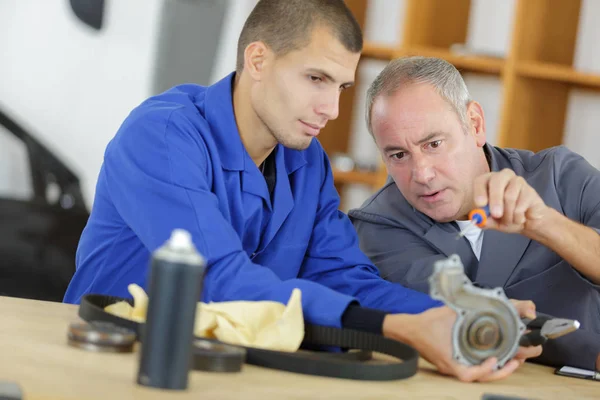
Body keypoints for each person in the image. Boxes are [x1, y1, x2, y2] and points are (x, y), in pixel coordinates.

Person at [63, 0, 540, 381]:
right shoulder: (162, 135)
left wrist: (464, 313)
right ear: (258, 59)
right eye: (316, 79)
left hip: (226, 372)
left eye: (342, 87)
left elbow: (346, 278)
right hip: (108, 365)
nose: (331, 108)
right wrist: (401, 329)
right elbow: (217, 280)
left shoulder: (306, 161)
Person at [349, 56, 600, 372]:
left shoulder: (561, 176)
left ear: (475, 124)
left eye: (434, 144)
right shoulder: (377, 226)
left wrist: (546, 223)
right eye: (399, 155)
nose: (422, 173)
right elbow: (462, 315)